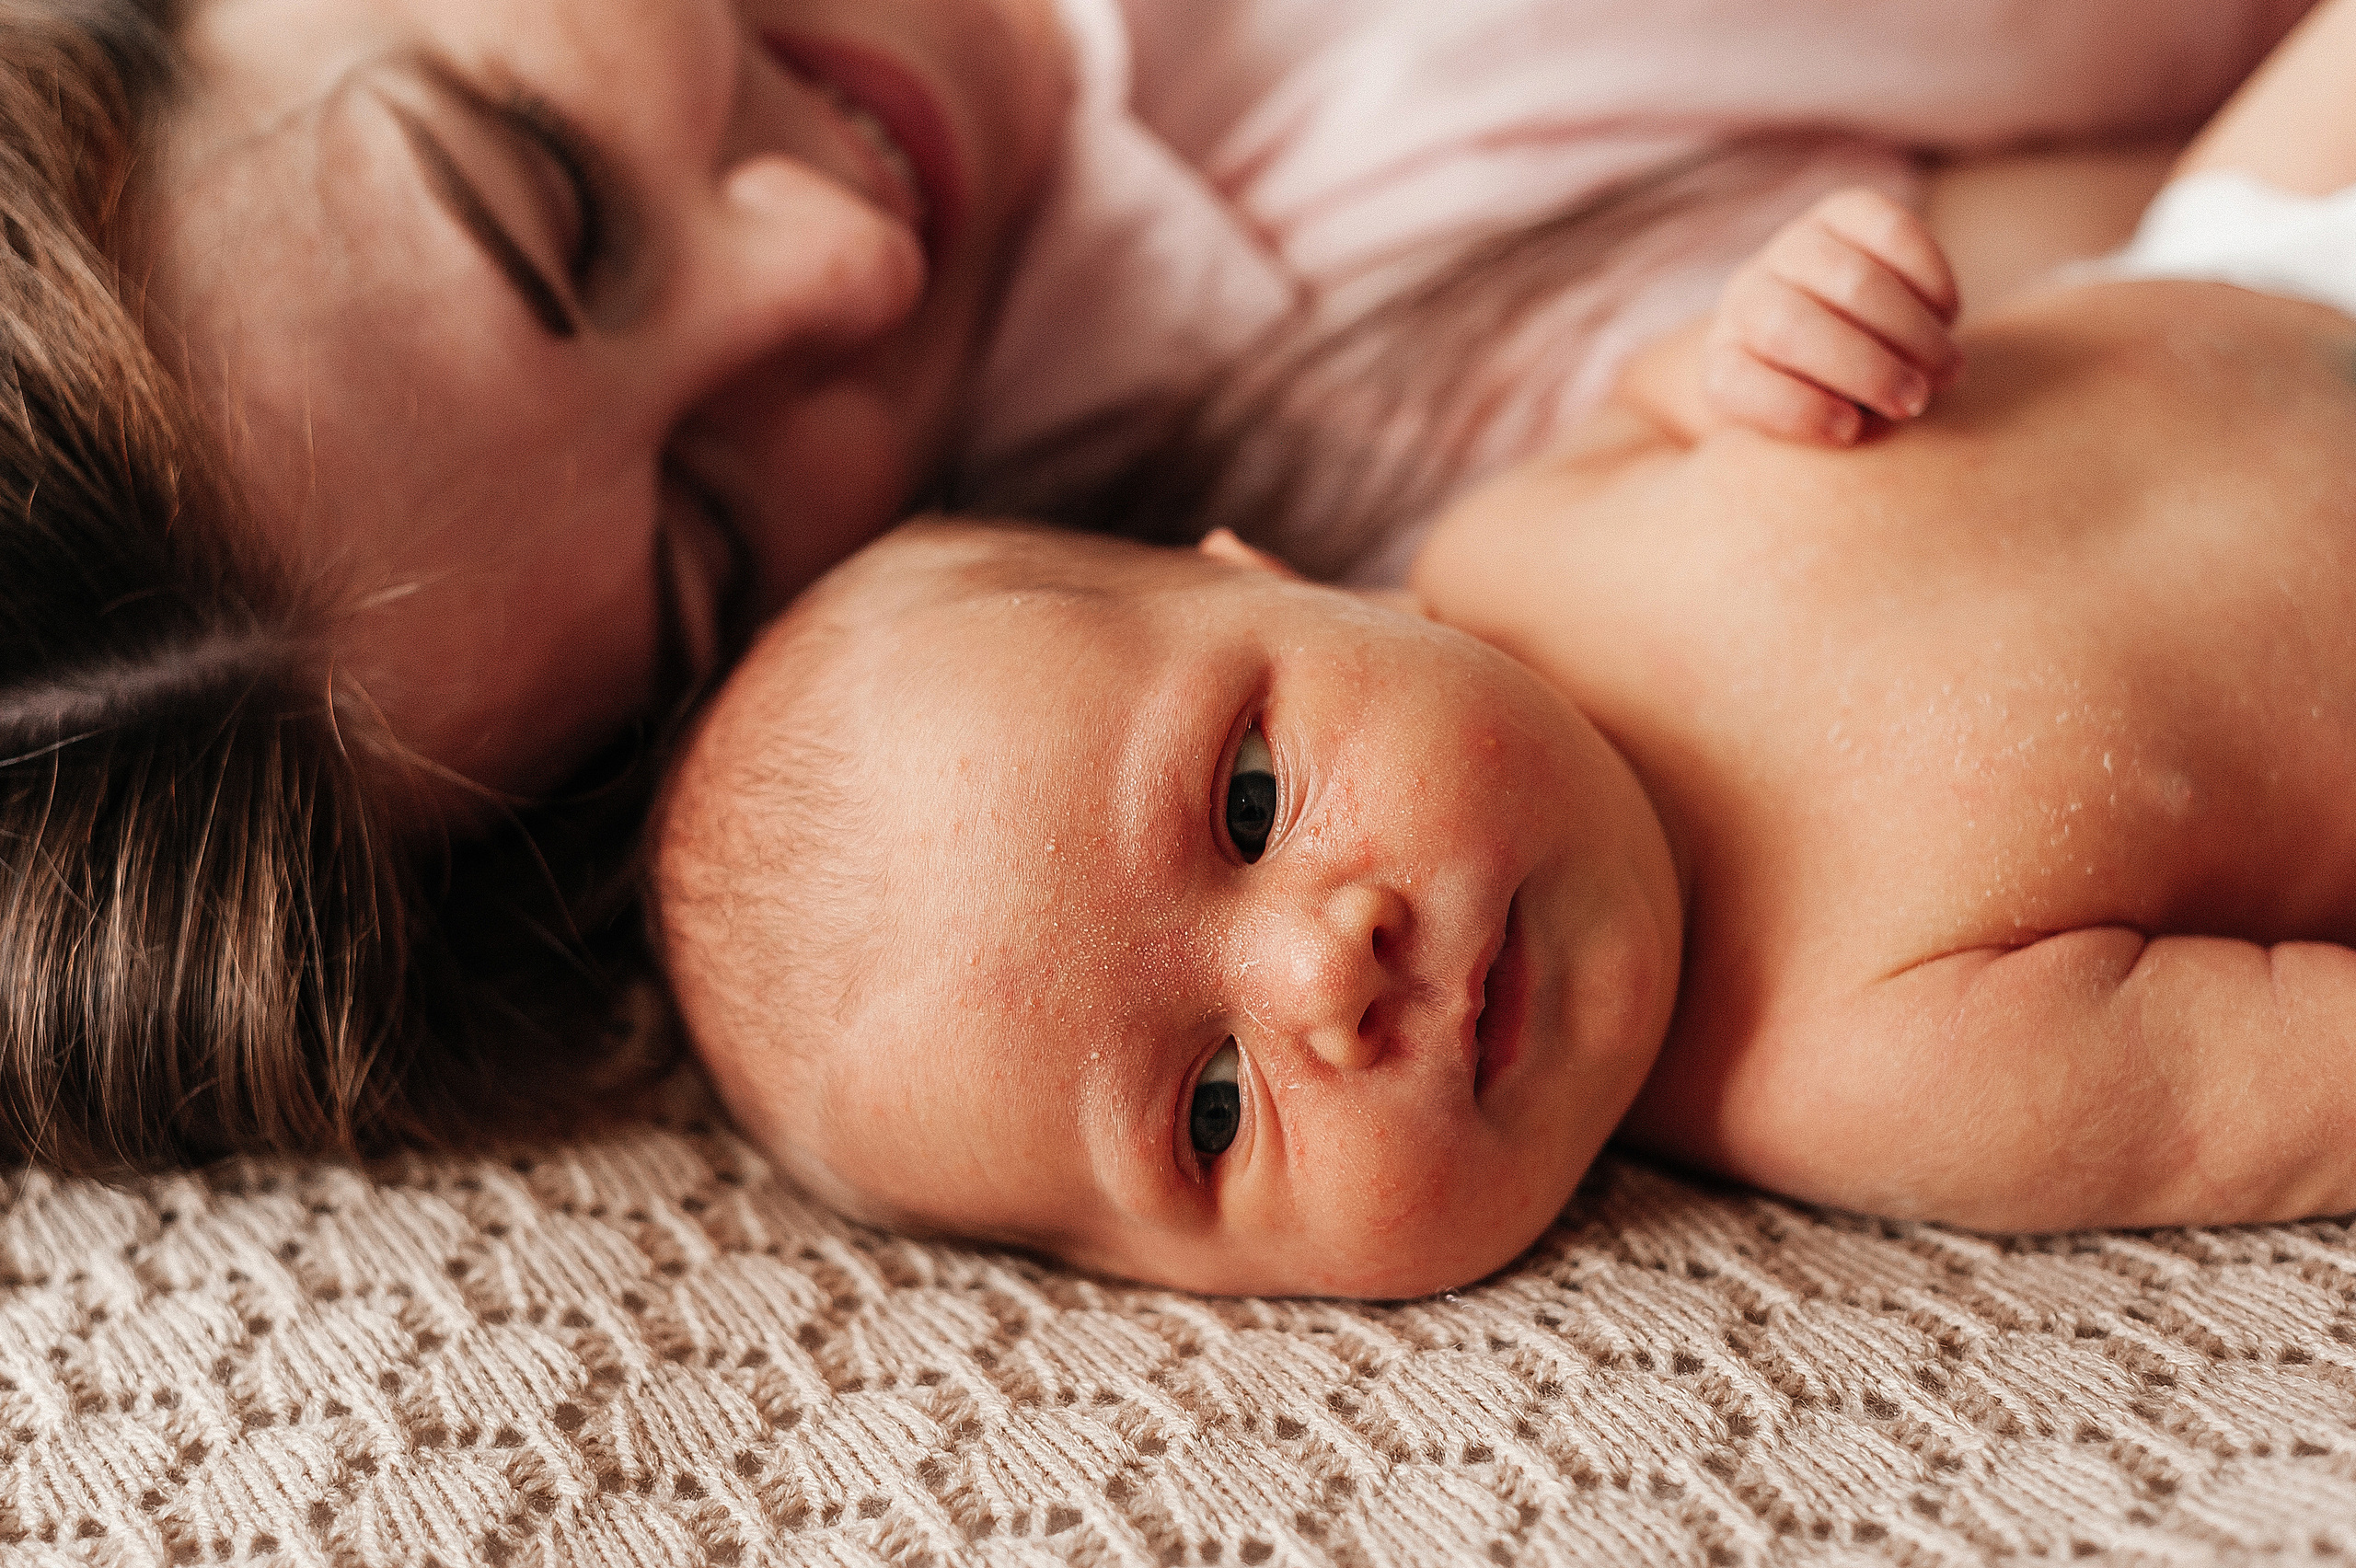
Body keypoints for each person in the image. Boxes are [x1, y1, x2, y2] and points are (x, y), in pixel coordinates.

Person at [0, 0, 2299, 1171]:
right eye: (710, 542)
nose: (838, 261)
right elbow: (2168, 350)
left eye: (544, 194)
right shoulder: (1411, 564)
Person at [653, 0, 2356, 1298]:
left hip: (2258, 256)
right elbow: (2267, 1091)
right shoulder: (1853, 1065)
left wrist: (1798, 326)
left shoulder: (1506, 541)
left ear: (1289, 584)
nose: (1326, 977)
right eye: (1214, 1113)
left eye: (1248, 803)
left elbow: (1700, 390)